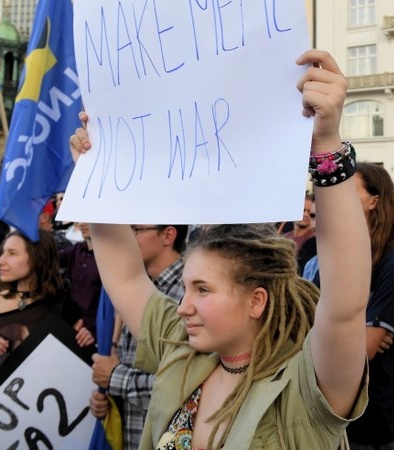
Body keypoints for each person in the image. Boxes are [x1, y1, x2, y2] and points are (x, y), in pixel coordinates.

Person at [73, 49, 370, 449]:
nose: (181, 305)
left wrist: (326, 141)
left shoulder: (304, 388)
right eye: (189, 287)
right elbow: (126, 277)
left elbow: (345, 305)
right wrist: (95, 176)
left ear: (256, 300)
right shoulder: (183, 349)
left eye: (203, 289)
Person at [0, 231, 95, 391]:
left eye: (12, 254)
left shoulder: (64, 303)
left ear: (38, 258)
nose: (0, 261)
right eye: (2, 253)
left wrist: (85, 340)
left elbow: (78, 367)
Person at [88, 223, 187, 450]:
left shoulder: (187, 294)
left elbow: (185, 383)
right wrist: (107, 399)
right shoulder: (137, 291)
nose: (129, 238)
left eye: (136, 230)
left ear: (168, 235)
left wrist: (115, 378)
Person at [346, 162, 394, 450]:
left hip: (369, 419)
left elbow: (365, 349)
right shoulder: (343, 253)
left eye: (350, 190)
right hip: (331, 415)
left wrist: (359, 334)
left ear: (374, 201)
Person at [59, 222, 102, 337]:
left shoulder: (109, 256)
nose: (82, 223)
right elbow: (49, 258)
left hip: (93, 332)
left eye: (88, 219)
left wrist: (94, 328)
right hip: (68, 324)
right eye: (81, 218)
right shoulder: (77, 249)